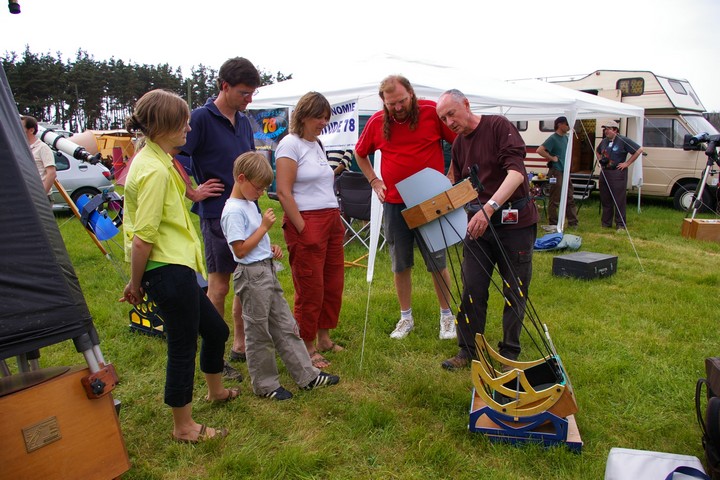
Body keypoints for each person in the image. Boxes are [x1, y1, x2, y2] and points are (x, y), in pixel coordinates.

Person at [122, 89, 237, 444]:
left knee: (215, 331)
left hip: (176, 267)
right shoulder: (153, 170)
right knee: (183, 346)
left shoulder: (158, 158)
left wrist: (193, 192)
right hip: (166, 269)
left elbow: (178, 180)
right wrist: (135, 284)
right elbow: (143, 238)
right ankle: (183, 426)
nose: (189, 128)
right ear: (162, 126)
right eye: (182, 123)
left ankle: (216, 391)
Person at [221, 151, 340, 400]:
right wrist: (264, 227)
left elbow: (252, 242)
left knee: (286, 326)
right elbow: (240, 250)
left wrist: (269, 247)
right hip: (252, 276)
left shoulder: (248, 204)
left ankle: (307, 376)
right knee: (259, 332)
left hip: (265, 270)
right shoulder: (233, 210)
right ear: (241, 179)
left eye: (264, 188)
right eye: (258, 187)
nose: (261, 192)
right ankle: (266, 385)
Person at [435, 89, 539, 370]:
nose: (449, 122)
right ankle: (467, 349)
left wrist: (490, 207)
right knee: (472, 287)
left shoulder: (498, 126)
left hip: (515, 224)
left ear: (466, 105)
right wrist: (436, 203)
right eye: (443, 119)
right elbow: (461, 184)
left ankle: (510, 353)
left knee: (515, 289)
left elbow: (516, 174)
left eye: (451, 114)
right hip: (479, 225)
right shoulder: (459, 144)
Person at [354, 75, 457, 340]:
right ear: (383, 102)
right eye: (391, 104)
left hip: (429, 201)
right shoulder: (377, 122)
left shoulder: (431, 112)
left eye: (401, 101)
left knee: (437, 262)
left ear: (411, 93)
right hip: (394, 203)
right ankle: (406, 318)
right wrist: (374, 180)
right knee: (400, 264)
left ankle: (447, 317)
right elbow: (360, 153)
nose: (398, 107)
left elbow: (460, 141)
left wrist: (452, 174)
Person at [179, 57, 262, 375]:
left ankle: (240, 345)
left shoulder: (243, 121)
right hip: (216, 214)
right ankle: (215, 357)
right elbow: (176, 157)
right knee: (219, 285)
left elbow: (249, 163)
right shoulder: (200, 118)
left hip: (247, 212)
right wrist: (192, 191)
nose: (249, 99)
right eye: (243, 93)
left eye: (252, 93)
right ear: (224, 86)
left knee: (246, 279)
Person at [275, 91, 345, 370]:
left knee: (332, 283)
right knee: (310, 287)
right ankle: (307, 345)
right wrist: (303, 228)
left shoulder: (317, 144)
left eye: (326, 117)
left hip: (331, 220)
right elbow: (283, 192)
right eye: (319, 117)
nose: (324, 122)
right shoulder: (289, 144)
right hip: (306, 219)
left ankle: (324, 338)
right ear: (303, 116)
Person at [596, 120, 643, 231]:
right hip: (605, 172)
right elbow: (597, 151)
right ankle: (606, 223)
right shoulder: (604, 141)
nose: (606, 131)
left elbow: (639, 149)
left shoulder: (623, 140)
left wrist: (627, 163)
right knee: (605, 199)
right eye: (605, 129)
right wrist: (600, 160)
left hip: (617, 173)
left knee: (619, 200)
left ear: (615, 130)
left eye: (608, 129)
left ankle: (620, 224)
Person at [536, 116, 579, 228]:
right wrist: (552, 158)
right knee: (555, 198)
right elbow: (539, 150)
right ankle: (553, 223)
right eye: (567, 124)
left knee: (569, 197)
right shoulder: (553, 138)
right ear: (559, 124)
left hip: (565, 171)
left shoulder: (566, 138)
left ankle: (573, 222)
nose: (568, 126)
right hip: (556, 171)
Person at [21, 115, 56, 195]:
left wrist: (42, 195)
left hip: (39, 197)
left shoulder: (43, 148)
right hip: (26, 195)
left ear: (31, 130)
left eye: (21, 127)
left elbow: (51, 173)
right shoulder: (21, 147)